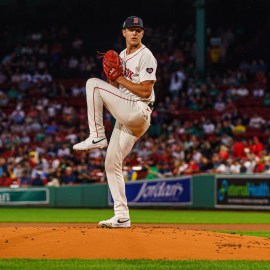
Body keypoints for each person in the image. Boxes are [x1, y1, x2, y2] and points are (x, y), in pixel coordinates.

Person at [73, 16, 157, 228]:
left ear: (142, 34)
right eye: (131, 29)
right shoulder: (121, 55)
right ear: (124, 33)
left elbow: (146, 90)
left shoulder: (146, 55)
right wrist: (112, 78)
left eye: (138, 30)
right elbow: (118, 89)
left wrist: (118, 79)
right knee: (111, 163)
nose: (135, 33)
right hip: (128, 115)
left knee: (92, 83)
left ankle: (97, 135)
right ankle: (122, 216)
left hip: (139, 110)